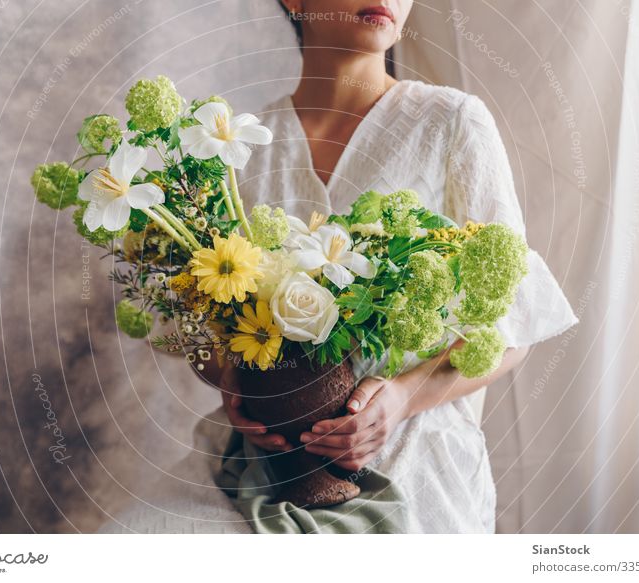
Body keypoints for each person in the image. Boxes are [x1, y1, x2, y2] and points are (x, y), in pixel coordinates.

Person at [215, 0, 578, 532]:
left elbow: (513, 321)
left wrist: (403, 397)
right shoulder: (241, 148)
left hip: (418, 454)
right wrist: (232, 378)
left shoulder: (451, 121)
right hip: (269, 461)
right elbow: (205, 323)